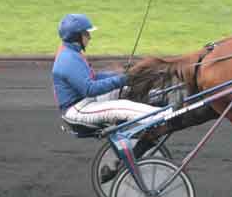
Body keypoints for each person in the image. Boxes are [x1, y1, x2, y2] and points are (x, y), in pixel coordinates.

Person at [52, 13, 163, 182]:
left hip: (86, 103)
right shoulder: (68, 59)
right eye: (86, 34)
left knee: (127, 90)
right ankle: (161, 115)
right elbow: (90, 88)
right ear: (77, 36)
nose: (89, 37)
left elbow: (94, 77)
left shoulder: (72, 53)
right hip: (78, 110)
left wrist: (123, 76)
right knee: (120, 106)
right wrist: (121, 79)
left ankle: (158, 98)